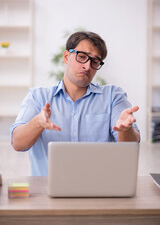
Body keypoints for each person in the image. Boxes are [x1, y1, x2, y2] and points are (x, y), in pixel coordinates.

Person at [11, 31, 140, 176]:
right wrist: (37, 123)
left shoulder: (113, 96)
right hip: (46, 192)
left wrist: (125, 130)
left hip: (99, 189)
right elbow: (18, 144)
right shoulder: (38, 97)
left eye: (95, 61)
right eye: (82, 57)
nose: (87, 66)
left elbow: (130, 147)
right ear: (66, 56)